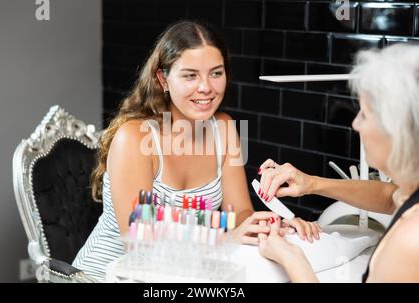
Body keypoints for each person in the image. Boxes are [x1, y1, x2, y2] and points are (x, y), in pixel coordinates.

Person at [72, 20, 320, 281]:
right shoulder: (133, 138)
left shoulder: (224, 128)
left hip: (182, 276)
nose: (206, 88)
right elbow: (140, 243)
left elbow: (239, 214)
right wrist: (223, 238)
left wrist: (272, 225)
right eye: (190, 75)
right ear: (162, 79)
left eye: (216, 73)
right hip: (104, 275)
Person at [257, 43, 419, 282]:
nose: (355, 124)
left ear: (396, 130)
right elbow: (389, 196)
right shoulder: (411, 197)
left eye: (364, 113)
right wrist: (310, 183)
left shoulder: (410, 243)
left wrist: (292, 258)